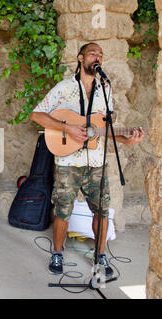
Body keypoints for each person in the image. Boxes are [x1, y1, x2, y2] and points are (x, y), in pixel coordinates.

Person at [30, 43, 144, 277]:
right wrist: (68, 128)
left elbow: (104, 129)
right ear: (81, 58)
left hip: (96, 163)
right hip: (67, 162)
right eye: (93, 53)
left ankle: (100, 256)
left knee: (102, 210)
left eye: (101, 54)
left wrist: (127, 140)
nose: (97, 57)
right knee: (63, 210)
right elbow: (37, 115)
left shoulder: (106, 90)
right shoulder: (64, 88)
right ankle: (58, 254)